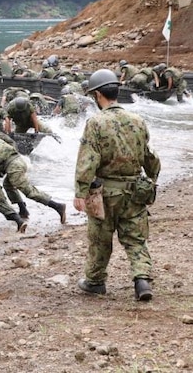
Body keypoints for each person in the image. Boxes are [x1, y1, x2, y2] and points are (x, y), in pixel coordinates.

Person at [72, 69, 161, 302]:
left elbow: (87, 160)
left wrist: (80, 192)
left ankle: (95, 281)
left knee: (100, 238)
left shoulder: (95, 122)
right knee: (135, 238)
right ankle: (142, 279)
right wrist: (152, 179)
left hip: (104, 193)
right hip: (135, 191)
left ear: (98, 95)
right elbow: (149, 156)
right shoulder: (137, 120)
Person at [0, 129, 66, 223]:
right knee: (8, 185)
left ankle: (57, 206)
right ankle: (23, 210)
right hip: (18, 161)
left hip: (14, 166)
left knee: (29, 191)